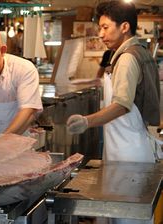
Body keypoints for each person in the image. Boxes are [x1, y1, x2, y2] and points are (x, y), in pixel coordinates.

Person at [67, 1, 160, 163]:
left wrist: (86, 121)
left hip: (127, 152)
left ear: (124, 27)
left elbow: (122, 106)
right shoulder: (141, 52)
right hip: (134, 145)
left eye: (105, 27)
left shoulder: (127, 58)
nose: (101, 34)